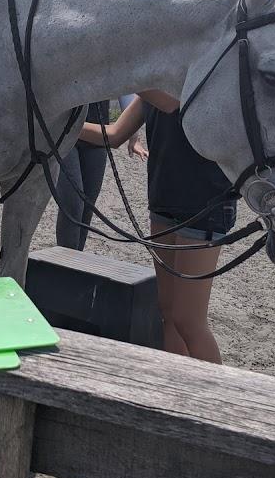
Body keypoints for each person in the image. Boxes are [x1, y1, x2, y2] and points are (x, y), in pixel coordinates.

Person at [79, 92, 235, 363]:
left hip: (204, 204)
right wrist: (63, 125)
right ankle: (174, 382)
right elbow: (114, 135)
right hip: (164, 199)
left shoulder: (178, 82)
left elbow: (169, 101)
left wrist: (127, 73)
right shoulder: (152, 88)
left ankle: (216, 390)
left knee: (189, 321)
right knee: (168, 312)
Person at [55, 98, 144, 250]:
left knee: (88, 205)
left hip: (97, 130)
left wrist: (132, 132)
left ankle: (77, 256)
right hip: (62, 132)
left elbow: (123, 86)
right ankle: (66, 259)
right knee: (73, 204)